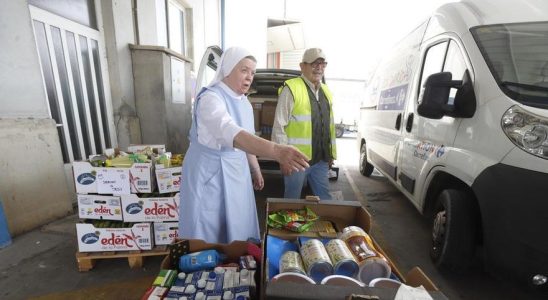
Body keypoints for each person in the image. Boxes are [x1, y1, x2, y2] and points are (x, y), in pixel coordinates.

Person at [179, 47, 310, 244]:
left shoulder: (244, 103)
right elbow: (232, 133)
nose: (249, 77)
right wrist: (276, 151)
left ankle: (236, 261)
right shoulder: (210, 99)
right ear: (228, 68)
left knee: (237, 221)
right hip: (208, 172)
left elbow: (246, 139)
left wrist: (256, 169)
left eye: (252, 72)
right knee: (207, 224)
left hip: (236, 170)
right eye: (244, 70)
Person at [272, 48, 337, 200]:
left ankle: (325, 224)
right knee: (292, 200)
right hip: (296, 160)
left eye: (322, 64)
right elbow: (279, 125)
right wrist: (283, 158)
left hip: (320, 160)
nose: (319, 68)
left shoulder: (326, 92)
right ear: (302, 66)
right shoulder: (291, 88)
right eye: (314, 64)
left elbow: (329, 126)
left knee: (325, 199)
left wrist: (330, 153)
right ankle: (288, 224)